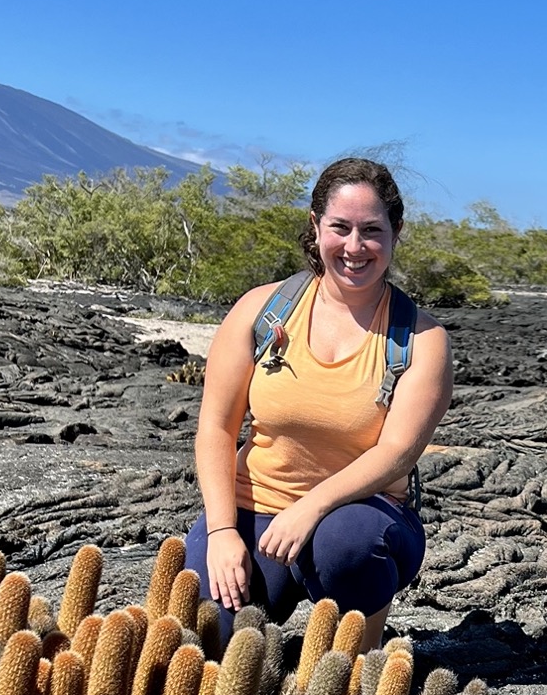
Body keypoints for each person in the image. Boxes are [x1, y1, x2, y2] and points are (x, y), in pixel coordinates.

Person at [185, 156, 453, 650]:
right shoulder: (261, 310)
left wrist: (311, 507)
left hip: (361, 514)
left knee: (344, 546)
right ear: (315, 226)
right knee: (205, 640)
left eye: (372, 230)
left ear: (396, 231)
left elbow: (396, 452)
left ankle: (361, 647)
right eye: (340, 228)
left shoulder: (422, 339)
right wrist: (223, 531)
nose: (355, 246)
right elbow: (216, 429)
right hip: (256, 507)